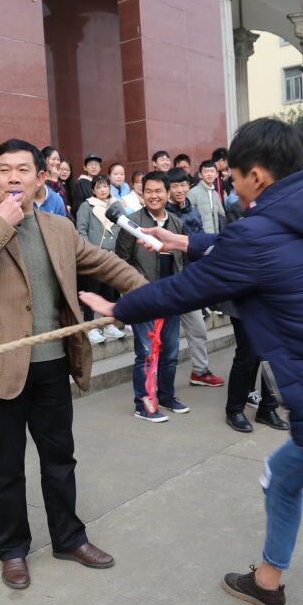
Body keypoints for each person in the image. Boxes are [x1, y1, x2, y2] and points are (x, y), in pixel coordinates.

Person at [80, 118, 303, 605]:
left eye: (235, 177)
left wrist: (120, 307)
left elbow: (192, 286)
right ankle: (267, 581)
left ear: (257, 176)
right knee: (281, 477)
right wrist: (183, 242)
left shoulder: (261, 233)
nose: (232, 186)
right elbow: (258, 249)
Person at [0, 139, 147, 590]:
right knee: (6, 468)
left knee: (59, 459)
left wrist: (151, 295)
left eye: (23, 169)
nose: (13, 177)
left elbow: (105, 262)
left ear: (41, 178)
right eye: (3, 170)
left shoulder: (58, 228)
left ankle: (69, 538)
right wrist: (2, 223)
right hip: (0, 372)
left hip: (52, 366)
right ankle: (12, 550)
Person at [115, 171, 190, 422]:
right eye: (148, 191)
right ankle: (143, 403)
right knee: (146, 353)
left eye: (158, 191)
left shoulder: (177, 223)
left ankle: (167, 396)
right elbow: (121, 262)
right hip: (144, 299)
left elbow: (184, 260)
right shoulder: (131, 223)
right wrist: (134, 291)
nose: (153, 196)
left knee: (170, 351)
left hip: (171, 298)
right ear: (142, 193)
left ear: (168, 194)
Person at [165, 168, 225, 388]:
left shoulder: (192, 210)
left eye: (183, 185)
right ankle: (158, 383)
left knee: (198, 329)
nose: (180, 190)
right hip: (169, 281)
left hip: (190, 279)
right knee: (165, 337)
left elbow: (200, 243)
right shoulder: (163, 214)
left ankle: (200, 371)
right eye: (175, 186)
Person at [75, 174, 126, 343]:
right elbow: (81, 230)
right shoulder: (86, 206)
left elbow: (123, 228)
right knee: (92, 291)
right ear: (93, 190)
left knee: (109, 291)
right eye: (99, 187)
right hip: (94, 256)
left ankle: (109, 325)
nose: (103, 190)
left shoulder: (116, 205)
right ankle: (91, 327)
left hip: (112, 255)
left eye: (105, 186)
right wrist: (90, 251)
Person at [188, 159, 226, 234]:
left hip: (215, 235)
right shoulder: (192, 192)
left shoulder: (215, 194)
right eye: (206, 171)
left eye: (212, 171)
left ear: (216, 175)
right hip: (201, 236)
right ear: (200, 175)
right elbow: (190, 216)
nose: (209, 174)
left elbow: (221, 214)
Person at [35, 146, 68, 217]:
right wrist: (54, 180)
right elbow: (50, 198)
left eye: (58, 159)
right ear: (44, 160)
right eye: (53, 159)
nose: (56, 162)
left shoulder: (59, 179)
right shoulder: (39, 180)